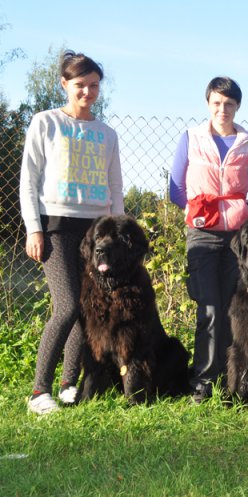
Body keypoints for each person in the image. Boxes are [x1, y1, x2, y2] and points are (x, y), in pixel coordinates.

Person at [19, 50, 124, 415]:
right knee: (66, 306)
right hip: (56, 226)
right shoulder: (45, 123)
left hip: (95, 231)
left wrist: (118, 233)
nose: (88, 92)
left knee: (87, 308)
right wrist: (35, 229)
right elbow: (28, 181)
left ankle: (68, 384)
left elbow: (115, 188)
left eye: (94, 85)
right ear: (64, 84)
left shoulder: (106, 134)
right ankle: (38, 392)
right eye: (80, 85)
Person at [169, 77, 248, 402]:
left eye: (229, 104)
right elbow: (175, 189)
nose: (222, 109)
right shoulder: (190, 138)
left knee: (232, 310)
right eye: (216, 103)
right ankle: (202, 380)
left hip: (237, 237)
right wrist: (197, 210)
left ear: (237, 106)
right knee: (208, 308)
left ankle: (231, 379)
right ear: (208, 104)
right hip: (203, 235)